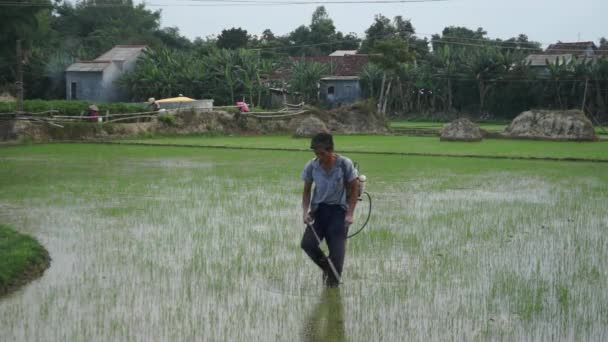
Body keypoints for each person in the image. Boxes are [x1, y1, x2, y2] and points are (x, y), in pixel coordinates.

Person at [300, 132, 358, 287]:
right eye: (316, 153)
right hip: (319, 211)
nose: (319, 157)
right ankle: (328, 269)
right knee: (307, 244)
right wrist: (305, 212)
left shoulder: (344, 164)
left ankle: (332, 292)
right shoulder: (312, 166)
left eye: (322, 153)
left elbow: (354, 189)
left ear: (331, 149)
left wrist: (350, 214)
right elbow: (306, 191)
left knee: (337, 258)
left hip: (339, 213)